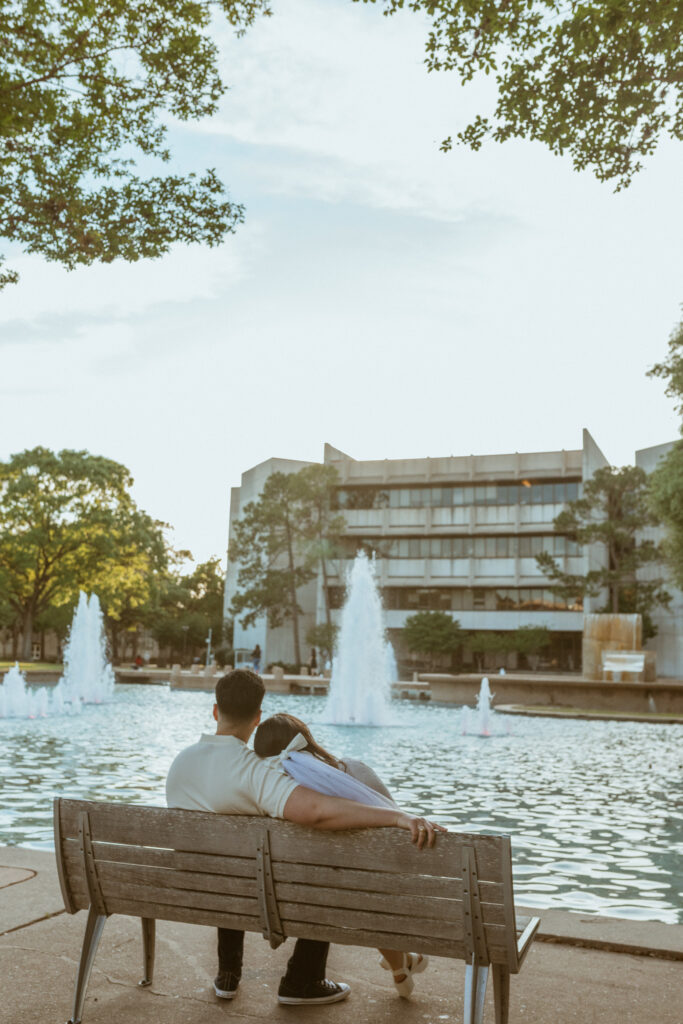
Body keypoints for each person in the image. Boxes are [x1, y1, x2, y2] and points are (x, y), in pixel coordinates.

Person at [166, 669, 444, 1008]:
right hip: (261, 898)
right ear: (257, 718)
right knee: (322, 872)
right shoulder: (253, 771)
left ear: (214, 711)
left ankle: (230, 974)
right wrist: (399, 816)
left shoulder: (179, 763)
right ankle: (304, 977)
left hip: (195, 891)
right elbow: (316, 812)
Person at [254, 713, 429, 998]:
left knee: (336, 883)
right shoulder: (350, 771)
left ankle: (402, 963)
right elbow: (396, 836)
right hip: (354, 899)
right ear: (307, 742)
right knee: (359, 886)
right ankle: (401, 962)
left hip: (283, 899)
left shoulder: (265, 790)